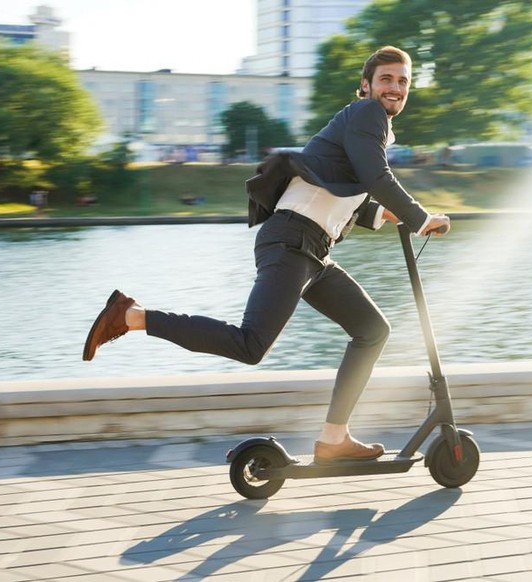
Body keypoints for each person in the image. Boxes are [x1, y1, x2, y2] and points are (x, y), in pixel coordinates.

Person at [82, 46, 451, 464]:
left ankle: (333, 438)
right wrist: (419, 217)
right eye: (386, 79)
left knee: (371, 329)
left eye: (403, 81)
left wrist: (381, 213)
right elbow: (375, 175)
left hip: (312, 250)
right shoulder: (368, 115)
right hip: (293, 241)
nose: (395, 88)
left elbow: (339, 182)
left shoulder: (362, 124)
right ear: (366, 85)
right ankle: (132, 317)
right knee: (250, 344)